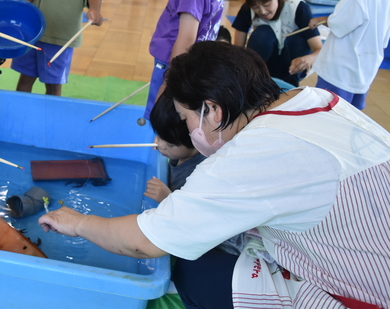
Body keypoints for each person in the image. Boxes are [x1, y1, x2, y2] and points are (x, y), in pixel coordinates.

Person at [39, 41, 390, 309]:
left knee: (192, 269)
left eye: (186, 118)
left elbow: (144, 240)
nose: (186, 129)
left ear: (212, 110)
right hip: (360, 256)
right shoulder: (312, 97)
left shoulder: (257, 151)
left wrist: (78, 222)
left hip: (359, 293)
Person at [145, 93, 244, 257]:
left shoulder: (200, 173)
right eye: (159, 136)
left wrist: (168, 199)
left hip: (221, 250)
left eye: (169, 143)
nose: (159, 144)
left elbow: (199, 223)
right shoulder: (182, 152)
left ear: (196, 141)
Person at [310, 0, 390, 110]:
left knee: (325, 119)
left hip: (339, 73)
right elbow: (384, 39)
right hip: (364, 75)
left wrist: (323, 20)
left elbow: (339, 24)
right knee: (349, 120)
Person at [232, 0, 322, 86]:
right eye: (256, 7)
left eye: (267, 4)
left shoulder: (299, 8)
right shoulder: (247, 9)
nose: (263, 11)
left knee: (297, 39)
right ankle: (255, 79)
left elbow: (319, 49)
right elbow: (238, 50)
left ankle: (291, 82)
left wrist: (308, 59)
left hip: (292, 65)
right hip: (263, 64)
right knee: (262, 34)